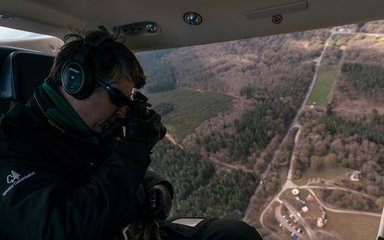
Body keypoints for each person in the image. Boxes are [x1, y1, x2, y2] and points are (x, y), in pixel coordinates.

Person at [0, 30, 263, 240]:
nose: (123, 112)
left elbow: (113, 171)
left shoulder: (85, 129)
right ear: (75, 82)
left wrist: (156, 188)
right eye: (117, 98)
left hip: (139, 230)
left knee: (236, 235)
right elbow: (64, 229)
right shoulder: (11, 145)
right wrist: (135, 148)